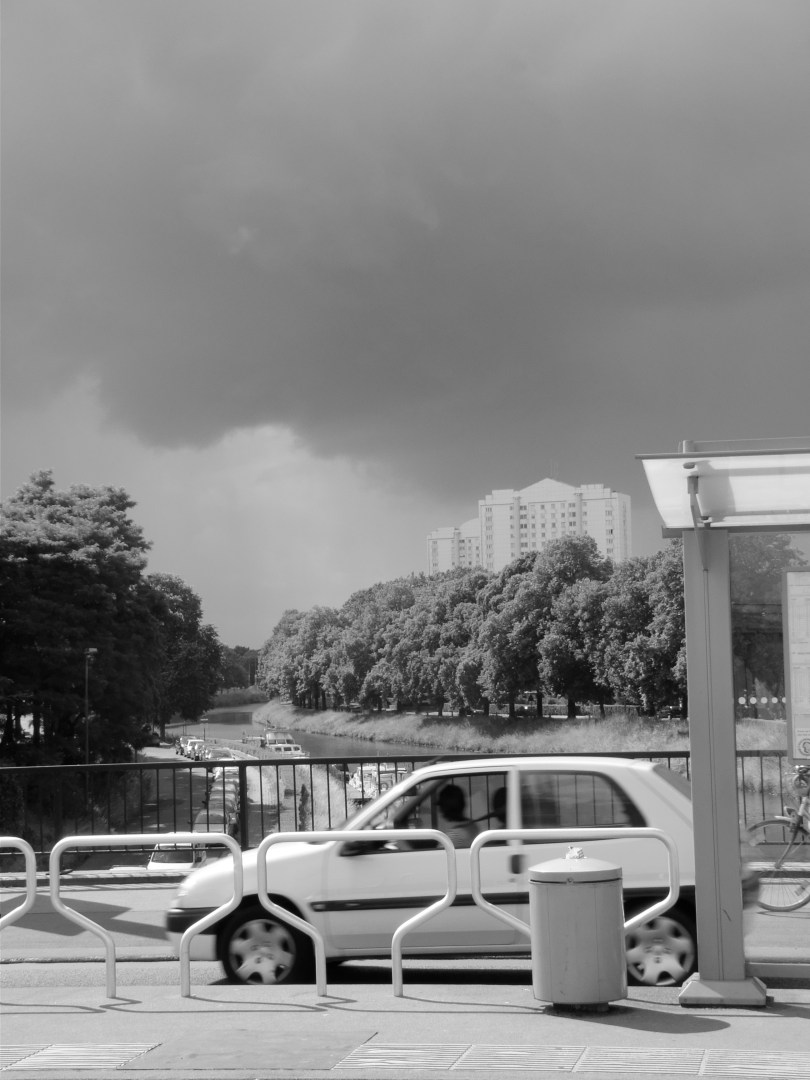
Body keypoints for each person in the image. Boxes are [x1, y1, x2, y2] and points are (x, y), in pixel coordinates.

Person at [437, 784, 479, 848]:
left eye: (441, 805)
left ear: (446, 807)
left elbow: (438, 856)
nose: (439, 809)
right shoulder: (472, 826)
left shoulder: (452, 838)